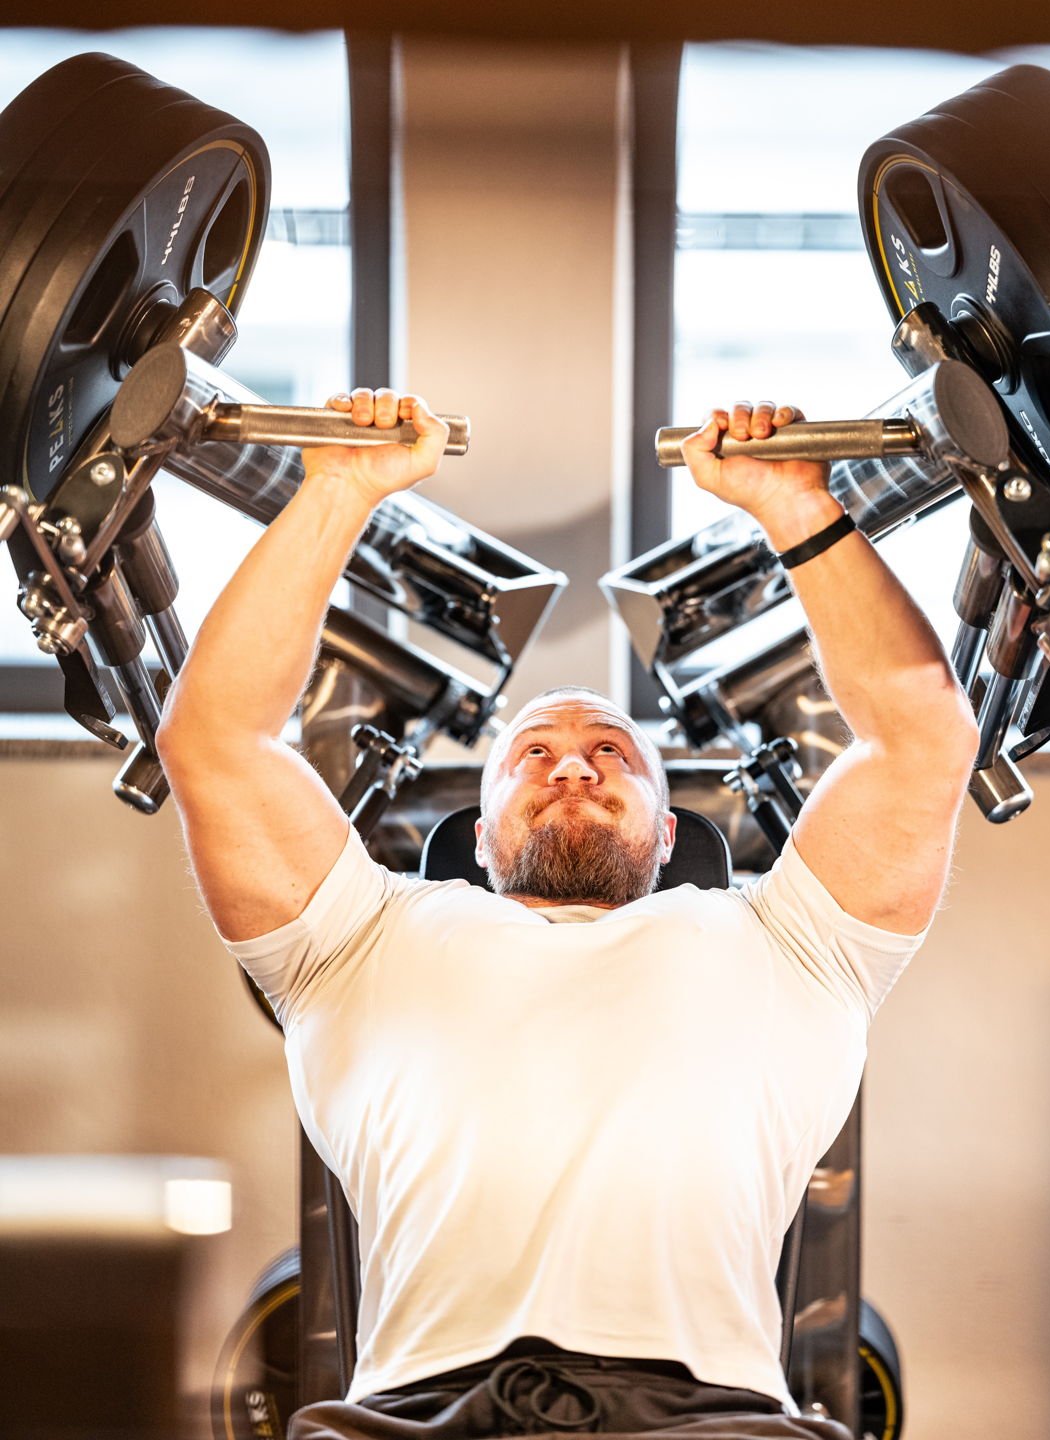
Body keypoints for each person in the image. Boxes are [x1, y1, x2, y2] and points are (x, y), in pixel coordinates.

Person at [156, 390, 979, 1440]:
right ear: (483, 831)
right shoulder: (356, 940)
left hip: (718, 1422)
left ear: (674, 834)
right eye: (531, 754)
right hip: (413, 1418)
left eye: (615, 752)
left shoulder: (796, 942)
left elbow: (923, 741)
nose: (576, 761)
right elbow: (217, 740)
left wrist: (793, 506)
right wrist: (336, 490)